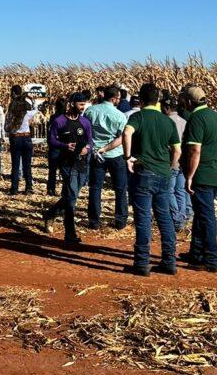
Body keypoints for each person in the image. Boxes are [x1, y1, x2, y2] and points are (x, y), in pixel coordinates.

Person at [123, 83, 180, 276]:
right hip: (163, 174)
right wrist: (171, 167)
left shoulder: (138, 117)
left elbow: (127, 133)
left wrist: (127, 156)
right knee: (165, 218)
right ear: (157, 100)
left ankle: (141, 263)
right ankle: (169, 261)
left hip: (144, 172)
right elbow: (177, 150)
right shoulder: (167, 122)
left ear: (141, 99)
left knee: (143, 219)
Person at [180, 84, 217, 273]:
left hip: (202, 174)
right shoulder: (216, 117)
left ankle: (212, 259)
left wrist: (189, 176)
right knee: (200, 214)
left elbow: (195, 150)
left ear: (189, 102)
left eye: (184, 100)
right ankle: (196, 253)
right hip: (216, 172)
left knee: (206, 217)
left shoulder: (196, 119)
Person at [42, 92, 93, 247]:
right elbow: (51, 139)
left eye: (84, 104)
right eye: (80, 104)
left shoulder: (85, 122)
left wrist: (87, 149)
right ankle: (70, 233)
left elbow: (91, 141)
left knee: (72, 195)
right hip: (66, 163)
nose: (83, 107)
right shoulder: (59, 121)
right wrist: (65, 146)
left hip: (82, 164)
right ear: (72, 104)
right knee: (71, 197)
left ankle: (51, 213)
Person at [85, 85, 129, 230]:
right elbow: (120, 138)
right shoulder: (119, 116)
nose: (119, 100)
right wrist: (107, 148)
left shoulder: (90, 111)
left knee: (95, 188)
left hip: (96, 154)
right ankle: (120, 221)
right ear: (113, 98)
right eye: (118, 98)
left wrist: (97, 148)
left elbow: (86, 132)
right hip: (115, 155)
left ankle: (94, 221)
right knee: (120, 189)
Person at [161, 92, 192, 231]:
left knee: (169, 190)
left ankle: (177, 219)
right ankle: (186, 214)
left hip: (171, 160)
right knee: (181, 190)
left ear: (167, 108)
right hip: (184, 161)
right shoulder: (184, 122)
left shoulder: (166, 122)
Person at [5, 85, 31, 193]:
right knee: (27, 165)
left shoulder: (12, 107)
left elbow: (7, 125)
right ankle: (29, 187)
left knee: (15, 165)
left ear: (13, 93)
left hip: (16, 137)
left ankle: (14, 188)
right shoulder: (28, 107)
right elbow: (34, 113)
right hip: (27, 137)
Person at [45, 96, 67, 196]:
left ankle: (51, 189)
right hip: (64, 147)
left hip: (54, 147)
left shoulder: (53, 117)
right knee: (65, 171)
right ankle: (64, 191)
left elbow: (50, 132)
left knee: (52, 170)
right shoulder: (68, 117)